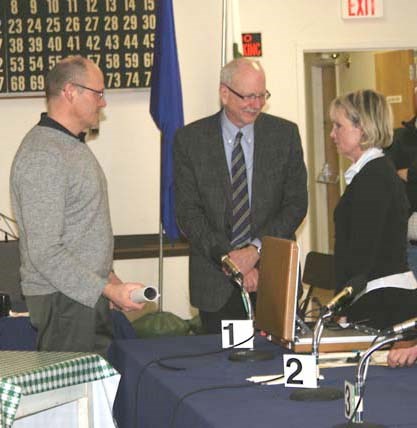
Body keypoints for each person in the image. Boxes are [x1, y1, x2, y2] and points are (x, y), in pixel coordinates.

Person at [10, 56, 145, 357]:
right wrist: (105, 289)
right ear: (71, 92)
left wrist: (108, 280)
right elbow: (45, 251)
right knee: (71, 400)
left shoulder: (69, 147)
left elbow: (81, 229)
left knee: (90, 398)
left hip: (79, 298)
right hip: (63, 302)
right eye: (98, 93)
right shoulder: (43, 155)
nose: (103, 103)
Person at [174, 58, 308, 334]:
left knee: (276, 366)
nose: (256, 104)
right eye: (248, 96)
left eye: (262, 95)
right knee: (223, 372)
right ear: (224, 93)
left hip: (273, 278)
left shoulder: (285, 135)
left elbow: (295, 204)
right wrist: (232, 261)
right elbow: (188, 213)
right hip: (215, 281)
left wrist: (255, 251)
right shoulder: (190, 140)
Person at [330, 89, 417, 330]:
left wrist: (342, 305)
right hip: (376, 295)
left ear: (363, 129)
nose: (332, 134)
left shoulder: (375, 176)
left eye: (338, 126)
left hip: (382, 301)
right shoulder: (373, 172)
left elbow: (362, 253)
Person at [385, 83, 417, 279]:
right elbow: (389, 179)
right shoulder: (397, 139)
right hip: (409, 247)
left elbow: (405, 176)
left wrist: (411, 174)